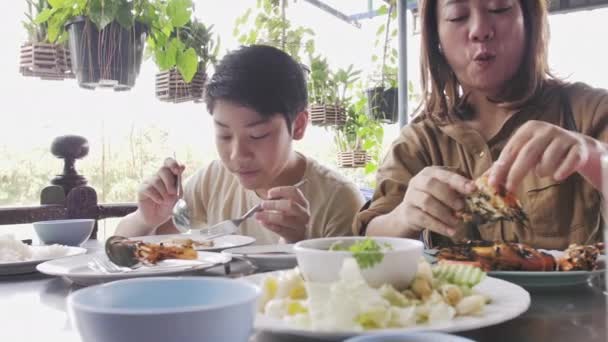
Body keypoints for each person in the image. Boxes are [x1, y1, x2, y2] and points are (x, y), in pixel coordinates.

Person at [354, 0, 608, 250]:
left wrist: (595, 159)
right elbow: (368, 242)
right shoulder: (420, 142)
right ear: (436, 39)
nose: (480, 30)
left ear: (529, 20)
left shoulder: (588, 112)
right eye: (457, 16)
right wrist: (403, 217)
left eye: (499, 8)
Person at [116, 45, 364, 244]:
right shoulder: (214, 179)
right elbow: (126, 245)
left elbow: (342, 295)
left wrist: (297, 243)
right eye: (224, 136)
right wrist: (147, 218)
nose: (236, 155)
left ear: (298, 125)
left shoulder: (338, 200)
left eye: (257, 135)